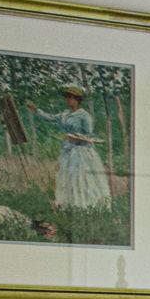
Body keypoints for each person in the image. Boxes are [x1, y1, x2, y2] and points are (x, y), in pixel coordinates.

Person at [29, 83, 115, 212]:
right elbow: (50, 118)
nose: (68, 100)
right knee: (67, 177)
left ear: (77, 100)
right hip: (69, 151)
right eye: (67, 97)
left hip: (82, 152)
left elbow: (90, 136)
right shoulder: (65, 114)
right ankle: (68, 206)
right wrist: (36, 110)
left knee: (81, 178)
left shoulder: (84, 115)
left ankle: (85, 206)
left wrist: (76, 138)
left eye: (71, 97)